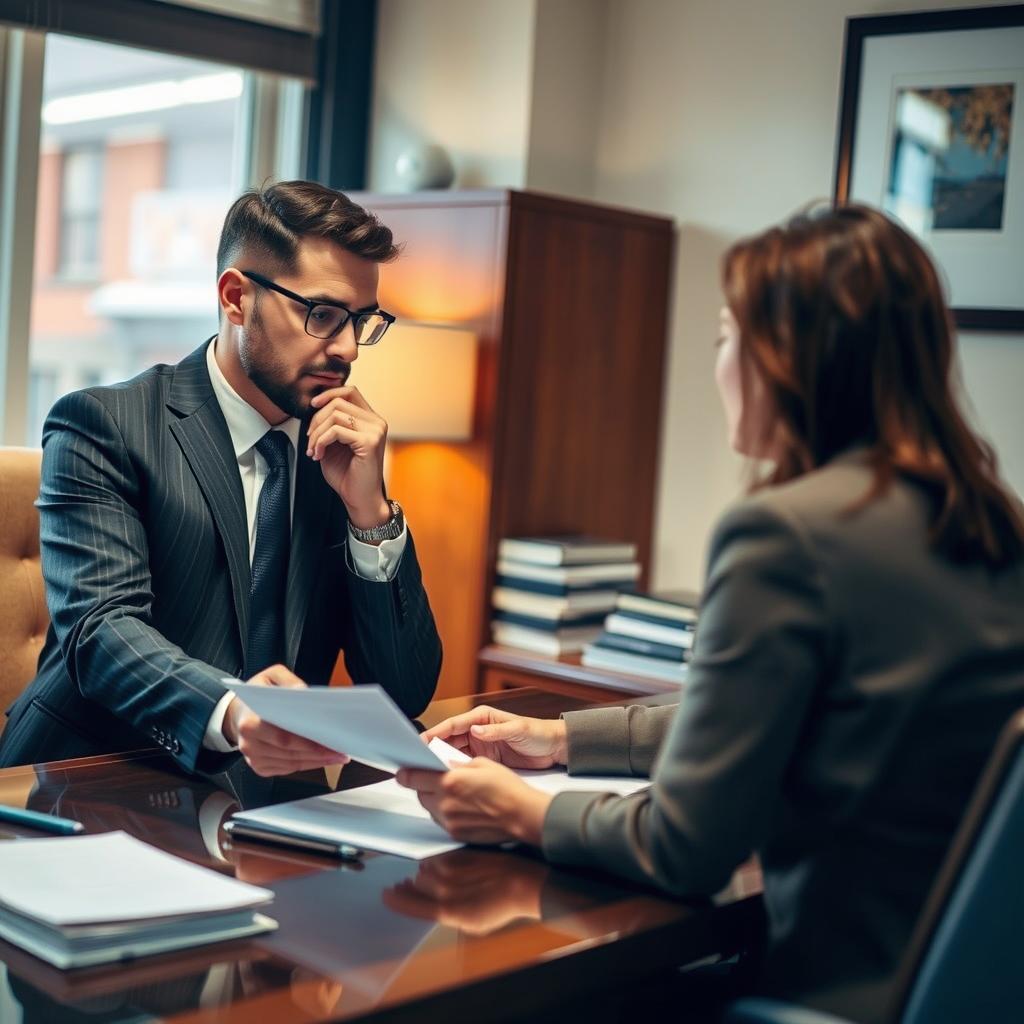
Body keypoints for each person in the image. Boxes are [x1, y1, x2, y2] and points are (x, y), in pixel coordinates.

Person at [396, 204, 1024, 1022]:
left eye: (728, 335)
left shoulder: (785, 536)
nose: (720, 363)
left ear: (788, 358)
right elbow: (796, 713)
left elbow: (685, 848)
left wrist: (521, 811)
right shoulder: (987, 520)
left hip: (825, 995)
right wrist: (562, 739)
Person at [0, 180, 442, 778]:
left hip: (271, 804)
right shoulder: (104, 425)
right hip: (96, 778)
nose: (348, 349)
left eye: (361, 321)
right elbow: (101, 632)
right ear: (236, 298)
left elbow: (405, 690)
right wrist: (235, 710)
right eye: (322, 314)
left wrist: (371, 515)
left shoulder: (339, 452)